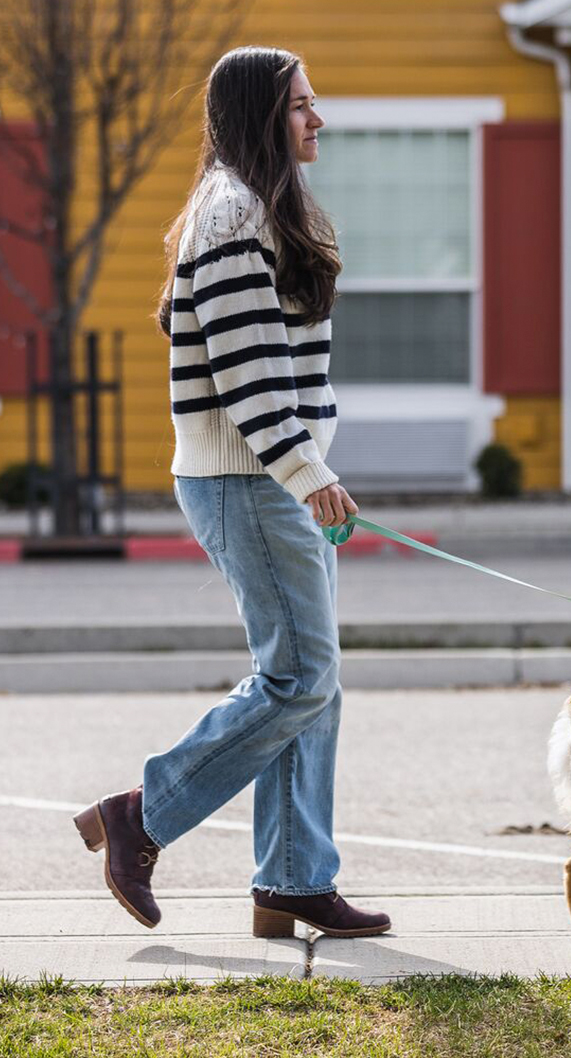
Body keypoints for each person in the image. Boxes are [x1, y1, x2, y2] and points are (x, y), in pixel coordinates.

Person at [72, 46, 390, 940]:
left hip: (270, 474)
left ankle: (293, 879)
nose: (316, 119)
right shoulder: (230, 215)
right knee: (301, 675)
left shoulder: (267, 208)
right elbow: (249, 371)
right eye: (300, 106)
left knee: (311, 682)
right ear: (260, 116)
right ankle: (142, 814)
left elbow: (285, 363)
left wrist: (308, 467)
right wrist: (306, 471)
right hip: (246, 476)